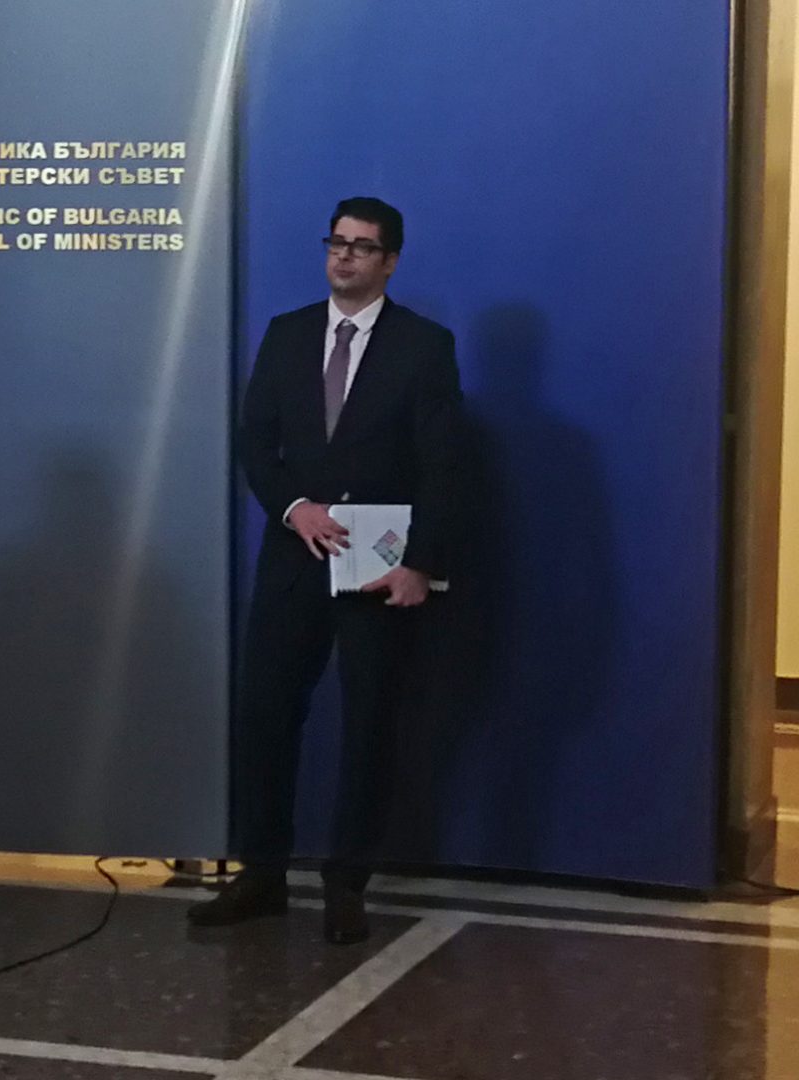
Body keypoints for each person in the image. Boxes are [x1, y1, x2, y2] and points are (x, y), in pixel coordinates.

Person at [189, 196, 462, 944]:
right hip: (295, 557)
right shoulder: (287, 333)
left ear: (389, 262)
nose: (344, 255)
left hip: (378, 569)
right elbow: (255, 443)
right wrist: (293, 508)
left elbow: (443, 466)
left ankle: (346, 883)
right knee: (265, 714)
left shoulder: (423, 345)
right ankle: (261, 874)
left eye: (362, 246)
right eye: (336, 242)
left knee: (368, 722)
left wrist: (419, 564)